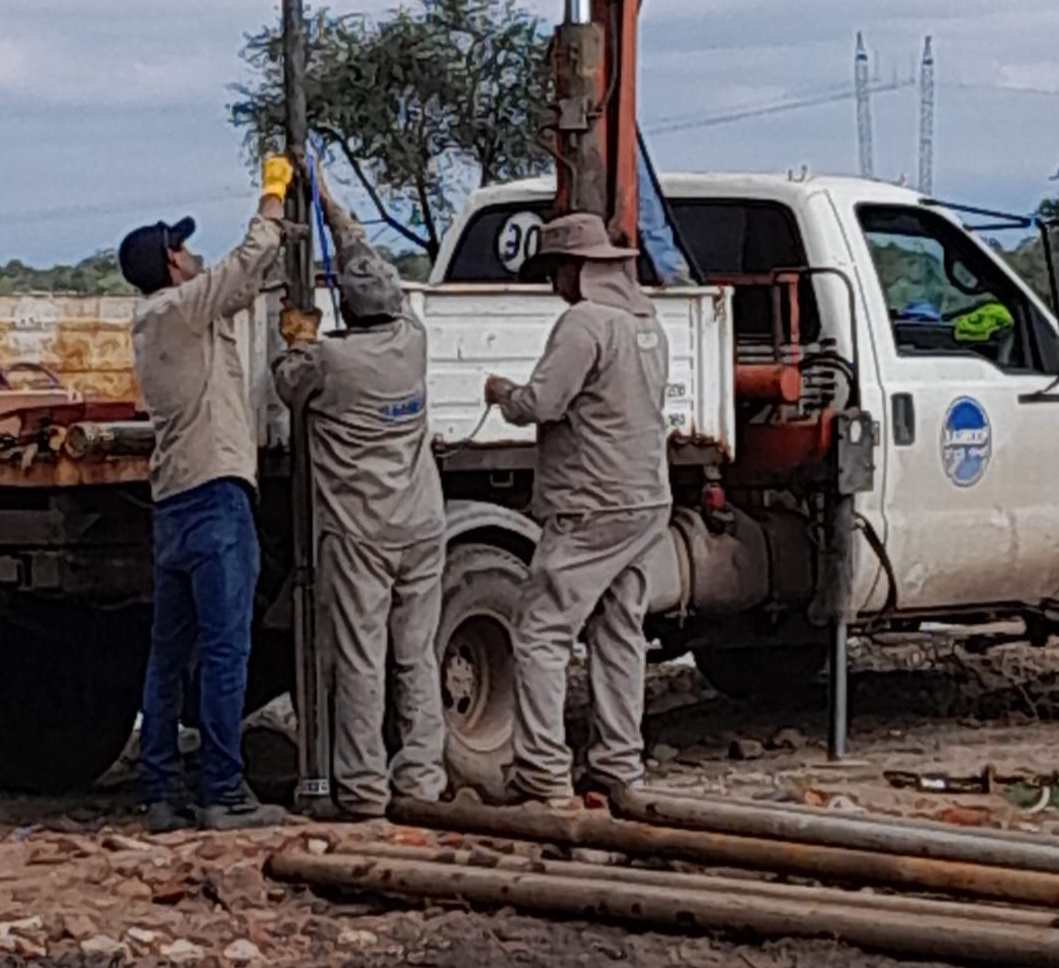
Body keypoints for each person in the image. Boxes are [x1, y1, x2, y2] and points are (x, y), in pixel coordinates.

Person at [119, 157, 293, 833]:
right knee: (226, 649)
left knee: (170, 653)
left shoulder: (161, 322)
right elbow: (245, 264)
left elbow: (239, 290)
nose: (193, 255)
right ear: (170, 265)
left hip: (175, 503)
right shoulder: (183, 310)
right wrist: (271, 200)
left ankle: (161, 789)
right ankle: (224, 790)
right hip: (217, 495)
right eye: (183, 248)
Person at [271, 175, 447, 820]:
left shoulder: (330, 363)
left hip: (361, 532)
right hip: (422, 524)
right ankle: (423, 779)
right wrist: (332, 205)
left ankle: (364, 787)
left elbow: (289, 385)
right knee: (416, 655)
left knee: (360, 660)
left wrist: (296, 336)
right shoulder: (414, 341)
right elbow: (368, 260)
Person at [484, 212, 671, 804]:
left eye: (555, 270)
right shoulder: (647, 325)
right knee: (620, 629)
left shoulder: (583, 324)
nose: (552, 283)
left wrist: (502, 395)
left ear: (577, 269)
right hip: (646, 496)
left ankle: (540, 769)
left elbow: (544, 402)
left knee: (541, 629)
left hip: (593, 500)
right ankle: (618, 764)